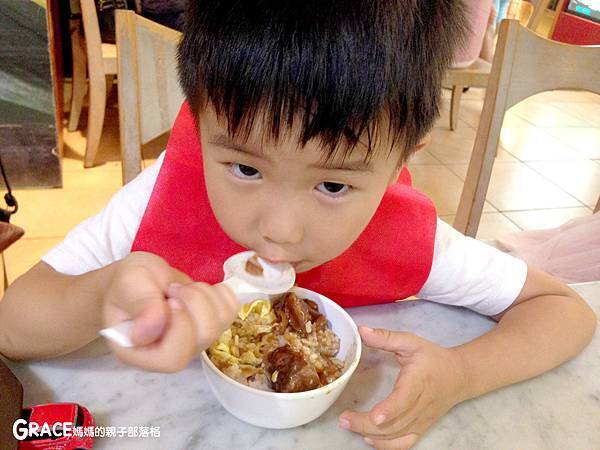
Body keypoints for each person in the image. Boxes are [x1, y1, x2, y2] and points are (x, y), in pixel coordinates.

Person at [0, 1, 595, 448]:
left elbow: (564, 311)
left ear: (398, 164)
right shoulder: (161, 200)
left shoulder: (405, 237)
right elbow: (11, 327)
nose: (279, 231)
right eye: (244, 167)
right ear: (198, 121)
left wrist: (461, 373)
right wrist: (104, 291)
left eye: (333, 184)